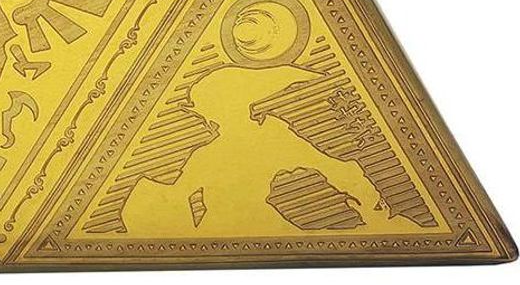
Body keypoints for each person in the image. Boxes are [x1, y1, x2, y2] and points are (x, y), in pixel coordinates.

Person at [122, 65, 411, 237]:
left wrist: (371, 199)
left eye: (205, 112)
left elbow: (334, 166)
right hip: (226, 231)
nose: (205, 121)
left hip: (244, 229)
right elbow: (180, 193)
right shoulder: (210, 154)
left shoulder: (270, 137)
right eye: (202, 113)